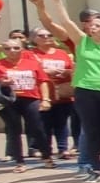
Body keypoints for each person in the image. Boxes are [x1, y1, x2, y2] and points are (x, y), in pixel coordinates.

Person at [32, 0, 100, 182]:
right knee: (92, 131)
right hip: (85, 92)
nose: (92, 28)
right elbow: (65, 22)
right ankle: (95, 169)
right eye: (91, 25)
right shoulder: (82, 41)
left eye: (97, 25)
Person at [0, 31, 50, 171]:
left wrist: (46, 99)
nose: (12, 51)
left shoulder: (32, 63)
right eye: (8, 48)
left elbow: (43, 81)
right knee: (14, 129)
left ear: (22, 49)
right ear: (3, 50)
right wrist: (0, 82)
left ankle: (47, 157)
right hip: (7, 100)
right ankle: (19, 162)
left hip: (30, 98)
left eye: (16, 48)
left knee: (37, 127)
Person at [29, 27, 75, 162]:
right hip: (42, 94)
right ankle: (46, 150)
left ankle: (63, 149)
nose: (46, 37)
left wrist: (66, 72)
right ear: (34, 39)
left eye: (49, 35)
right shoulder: (31, 54)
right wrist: (46, 71)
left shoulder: (61, 53)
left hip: (62, 92)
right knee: (44, 123)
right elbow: (29, 70)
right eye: (41, 35)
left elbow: (71, 68)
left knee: (62, 122)